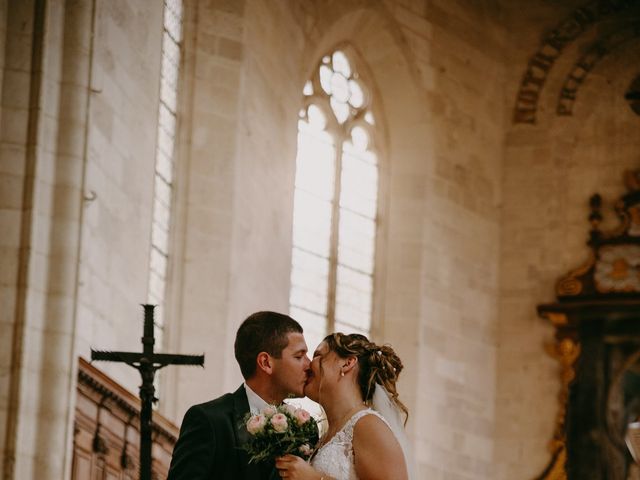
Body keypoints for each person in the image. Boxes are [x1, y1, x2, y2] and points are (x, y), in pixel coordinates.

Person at [167, 311, 311, 480]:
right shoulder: (209, 421)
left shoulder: (307, 428)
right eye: (299, 356)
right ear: (266, 363)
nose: (309, 365)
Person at [275, 332, 412, 480]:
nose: (308, 364)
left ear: (347, 363)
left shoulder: (369, 425)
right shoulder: (324, 436)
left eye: (318, 355)